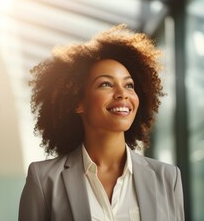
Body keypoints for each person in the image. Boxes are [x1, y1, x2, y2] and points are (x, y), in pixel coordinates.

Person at [19, 24, 184, 221]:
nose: (122, 93)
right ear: (77, 102)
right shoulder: (44, 179)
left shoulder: (167, 178)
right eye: (106, 84)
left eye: (129, 85)